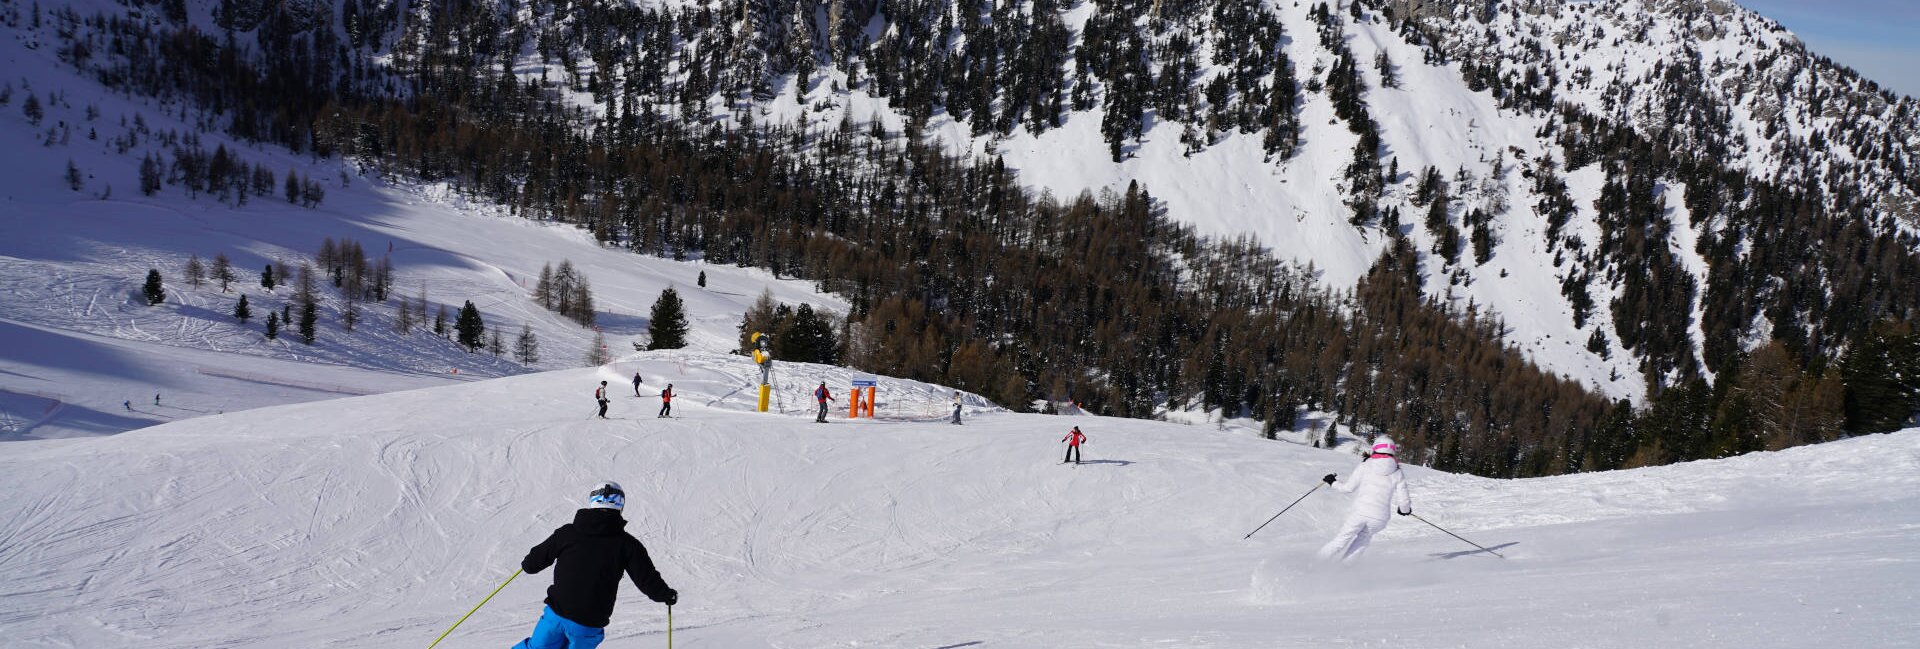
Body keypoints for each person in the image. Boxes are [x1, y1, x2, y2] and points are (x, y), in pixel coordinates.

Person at [511, 482, 677, 649]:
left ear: (592, 502)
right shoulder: (627, 545)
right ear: (620, 506)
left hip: (556, 616)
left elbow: (532, 564)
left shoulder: (567, 533)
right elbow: (646, 579)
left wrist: (528, 564)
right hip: (588, 623)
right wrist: (666, 595)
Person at [1316, 435, 1413, 564]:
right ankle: (1343, 570)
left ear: (1375, 449)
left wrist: (1333, 482)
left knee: (1341, 540)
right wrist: (1404, 510)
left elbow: (1348, 488)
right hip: (1379, 518)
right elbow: (1404, 499)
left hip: (1360, 513)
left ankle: (1315, 564)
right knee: (1362, 541)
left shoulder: (1365, 465)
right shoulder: (1397, 472)